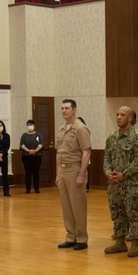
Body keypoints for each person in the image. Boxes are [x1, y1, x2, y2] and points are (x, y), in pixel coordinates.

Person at [103, 106, 138, 257]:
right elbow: (107, 158)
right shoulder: (112, 138)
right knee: (117, 213)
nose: (118, 117)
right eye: (117, 114)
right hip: (114, 184)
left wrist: (125, 174)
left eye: (122, 115)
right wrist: (108, 172)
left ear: (130, 118)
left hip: (131, 183)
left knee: (133, 213)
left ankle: (135, 243)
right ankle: (120, 242)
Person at [55, 99, 91, 250]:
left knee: (78, 205)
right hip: (63, 171)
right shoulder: (62, 129)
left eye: (67, 108)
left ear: (74, 110)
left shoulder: (80, 128)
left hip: (75, 169)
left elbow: (86, 152)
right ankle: (71, 236)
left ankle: (81, 238)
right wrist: (58, 173)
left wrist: (81, 175)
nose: (64, 111)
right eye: (62, 108)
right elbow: (58, 153)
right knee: (66, 206)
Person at [19, 119, 43, 194]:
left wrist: (35, 151)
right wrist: (28, 151)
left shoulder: (38, 134)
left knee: (36, 172)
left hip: (37, 156)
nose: (30, 126)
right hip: (26, 156)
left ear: (34, 126)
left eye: (31, 125)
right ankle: (28, 189)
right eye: (28, 125)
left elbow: (41, 144)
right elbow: (22, 145)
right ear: (26, 126)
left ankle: (36, 188)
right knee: (28, 173)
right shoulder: (24, 135)